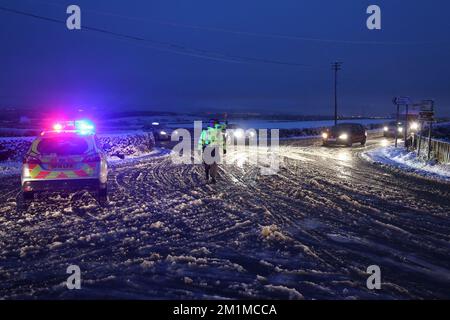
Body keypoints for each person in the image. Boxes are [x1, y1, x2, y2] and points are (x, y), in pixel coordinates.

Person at [198, 119, 227, 183]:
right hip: (207, 149)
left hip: (215, 149)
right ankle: (207, 174)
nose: (215, 125)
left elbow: (222, 141)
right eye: (213, 123)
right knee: (207, 164)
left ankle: (213, 177)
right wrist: (199, 148)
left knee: (214, 164)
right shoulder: (205, 132)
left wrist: (224, 148)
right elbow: (200, 140)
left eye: (216, 124)